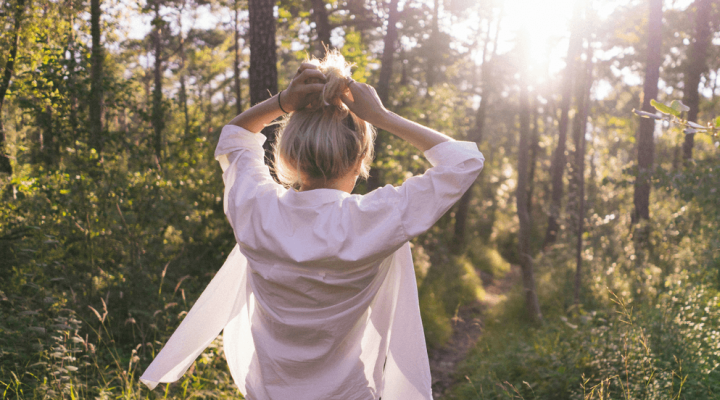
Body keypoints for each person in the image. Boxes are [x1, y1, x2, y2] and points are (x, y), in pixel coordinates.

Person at [139, 50, 484, 400]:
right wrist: (380, 115)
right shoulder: (372, 220)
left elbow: (235, 136)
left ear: (288, 154)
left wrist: (283, 101)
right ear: (361, 158)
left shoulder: (257, 211)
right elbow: (463, 162)